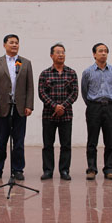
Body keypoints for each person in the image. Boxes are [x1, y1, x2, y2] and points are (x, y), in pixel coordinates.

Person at [0, 34, 34, 181]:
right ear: (4, 45)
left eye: (16, 43)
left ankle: (18, 169)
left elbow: (30, 86)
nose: (14, 45)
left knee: (18, 142)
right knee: (1, 141)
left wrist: (29, 105)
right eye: (11, 42)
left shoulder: (25, 63)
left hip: (20, 108)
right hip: (2, 108)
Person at [38, 43, 78, 181]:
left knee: (66, 145)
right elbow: (42, 93)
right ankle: (48, 170)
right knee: (48, 145)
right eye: (58, 52)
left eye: (63, 52)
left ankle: (64, 170)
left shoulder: (71, 73)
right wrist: (55, 106)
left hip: (66, 115)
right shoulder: (45, 74)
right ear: (51, 55)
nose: (61, 55)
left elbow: (74, 93)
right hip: (49, 115)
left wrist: (62, 107)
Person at [81, 43, 112, 180]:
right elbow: (84, 91)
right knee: (92, 140)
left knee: (110, 140)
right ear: (94, 54)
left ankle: (109, 169)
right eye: (100, 51)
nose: (103, 53)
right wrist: (92, 104)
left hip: (109, 107)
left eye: (105, 51)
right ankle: (91, 169)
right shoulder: (88, 72)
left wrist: (109, 102)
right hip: (94, 107)